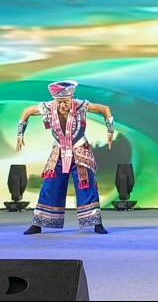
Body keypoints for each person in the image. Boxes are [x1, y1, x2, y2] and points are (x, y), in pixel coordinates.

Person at [17, 80, 113, 235]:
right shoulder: (48, 107)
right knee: (49, 186)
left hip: (80, 151)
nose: (62, 106)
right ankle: (37, 224)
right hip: (59, 153)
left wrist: (110, 130)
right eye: (59, 102)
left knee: (87, 186)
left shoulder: (81, 105)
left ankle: (97, 223)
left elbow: (105, 109)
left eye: (65, 102)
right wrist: (20, 134)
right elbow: (26, 112)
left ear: (71, 99)